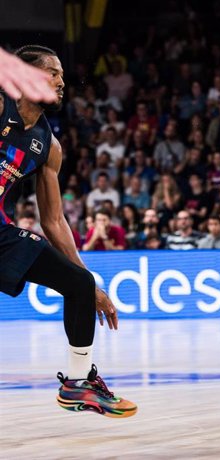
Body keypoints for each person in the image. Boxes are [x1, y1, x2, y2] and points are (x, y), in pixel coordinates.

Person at [0, 45, 135, 416]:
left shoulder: (48, 146)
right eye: (52, 73)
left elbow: (54, 221)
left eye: (61, 75)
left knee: (77, 283)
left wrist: (90, 282)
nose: (62, 82)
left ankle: (79, 384)